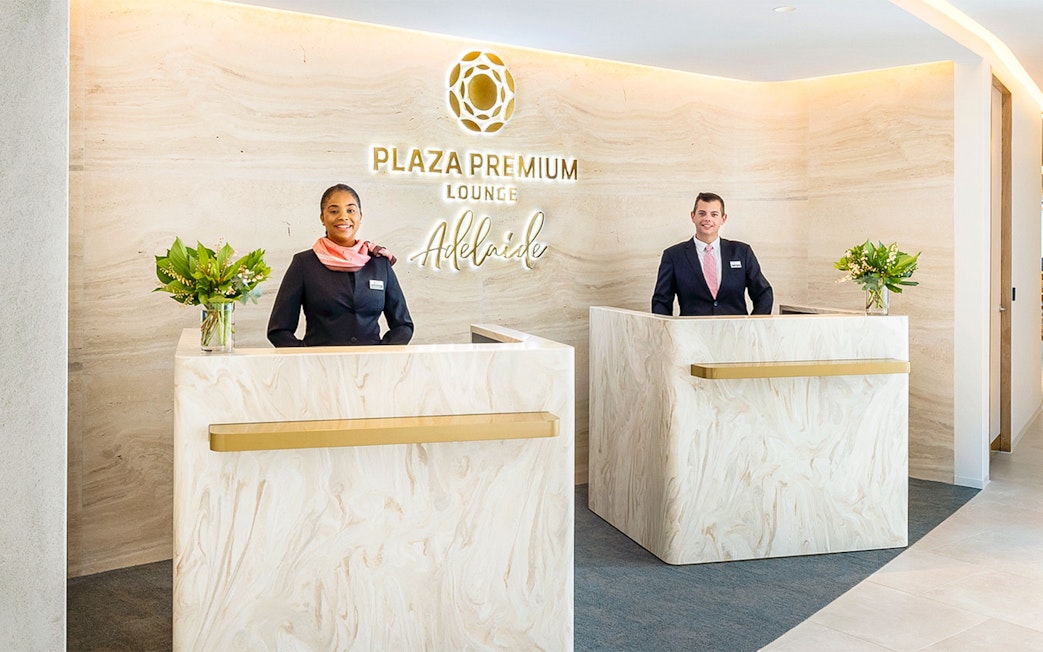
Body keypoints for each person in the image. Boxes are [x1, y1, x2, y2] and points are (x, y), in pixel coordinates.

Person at [267, 184, 414, 346]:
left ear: (360, 216)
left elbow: (403, 325)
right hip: (320, 368)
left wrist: (379, 354)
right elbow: (279, 330)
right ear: (322, 217)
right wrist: (309, 357)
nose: (343, 217)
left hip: (372, 368)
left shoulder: (379, 264)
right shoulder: (304, 264)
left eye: (351, 210)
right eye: (334, 211)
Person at [651, 191, 773, 316]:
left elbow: (764, 293)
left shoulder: (742, 252)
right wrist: (668, 332)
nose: (707, 219)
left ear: (723, 219)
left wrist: (753, 326)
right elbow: (661, 302)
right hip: (691, 333)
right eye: (702, 213)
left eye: (714, 214)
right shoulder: (673, 256)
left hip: (736, 333)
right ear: (693, 216)